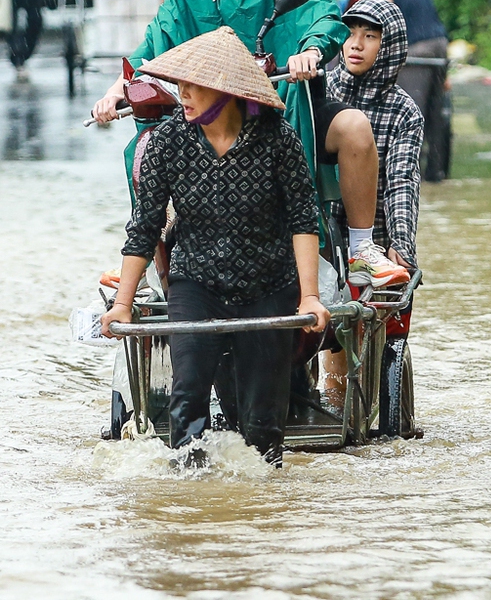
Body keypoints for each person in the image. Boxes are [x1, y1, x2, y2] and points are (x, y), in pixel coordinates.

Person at [90, 0, 409, 287]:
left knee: (354, 127)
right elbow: (155, 43)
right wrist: (117, 91)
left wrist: (310, 51)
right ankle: (148, 258)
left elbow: (323, 16)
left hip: (284, 103)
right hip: (211, 114)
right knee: (147, 149)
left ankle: (361, 247)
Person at [100, 28, 330, 466]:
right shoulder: (167, 142)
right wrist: (123, 304)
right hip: (196, 283)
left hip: (268, 284)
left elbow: (304, 219)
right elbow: (145, 226)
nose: (181, 94)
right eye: (179, 84)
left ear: (225, 92)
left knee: (262, 422)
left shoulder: (277, 140)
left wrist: (310, 296)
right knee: (187, 400)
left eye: (193, 86)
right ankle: (191, 500)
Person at [331, 0, 422, 278]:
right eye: (350, 34)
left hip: (376, 241)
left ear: (389, 46)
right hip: (320, 233)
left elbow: (402, 181)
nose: (356, 44)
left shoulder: (404, 112)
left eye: (369, 36)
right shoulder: (320, 91)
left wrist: (402, 243)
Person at [357, 0, 450, 181]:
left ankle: (407, 180)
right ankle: (438, 175)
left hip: (416, 48)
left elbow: (387, 6)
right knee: (435, 114)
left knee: (411, 114)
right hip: (439, 42)